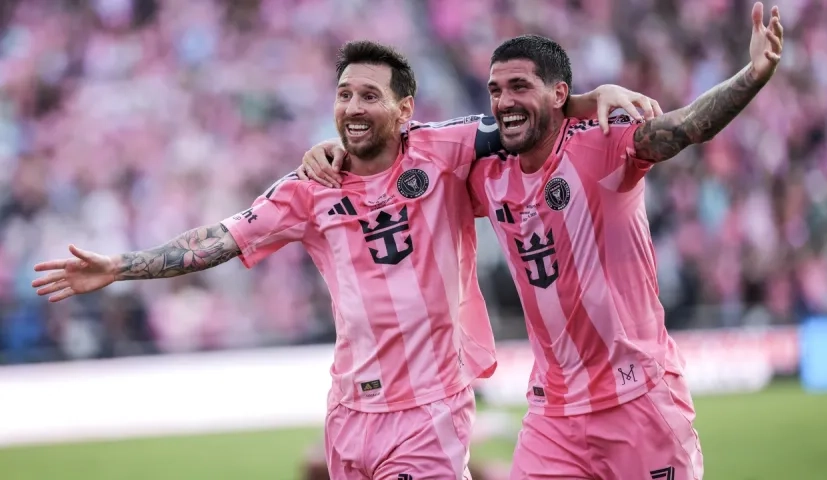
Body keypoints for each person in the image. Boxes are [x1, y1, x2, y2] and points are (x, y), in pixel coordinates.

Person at [30, 39, 663, 480]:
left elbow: (525, 117)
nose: (353, 107)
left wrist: (588, 98)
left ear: (404, 109)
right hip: (348, 412)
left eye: (369, 95)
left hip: (429, 407)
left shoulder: (445, 151)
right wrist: (121, 267)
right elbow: (218, 239)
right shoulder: (308, 188)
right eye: (344, 94)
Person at [297, 4, 784, 479]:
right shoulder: (486, 173)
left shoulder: (602, 144)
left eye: (519, 87)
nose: (503, 100)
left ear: (558, 94)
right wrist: (344, 146)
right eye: (495, 90)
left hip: (637, 398)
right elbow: (402, 150)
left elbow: (685, 127)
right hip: (553, 413)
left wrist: (753, 75)